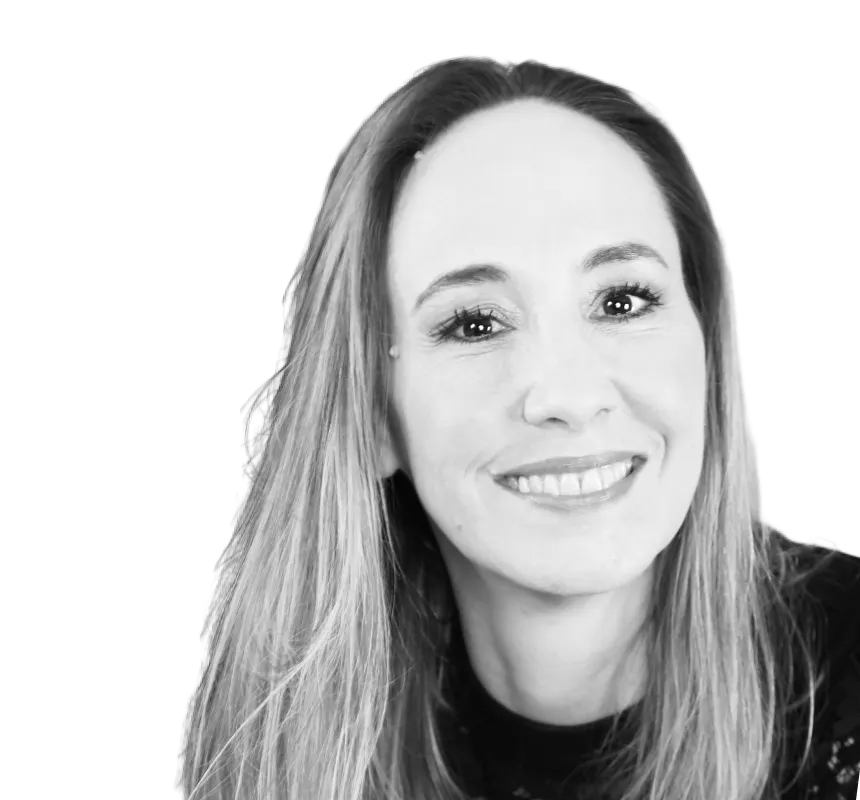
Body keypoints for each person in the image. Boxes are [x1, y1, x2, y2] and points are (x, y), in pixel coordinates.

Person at [176, 56, 858, 800]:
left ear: (707, 346)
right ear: (373, 413)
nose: (569, 395)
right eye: (474, 323)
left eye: (623, 301)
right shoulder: (269, 743)